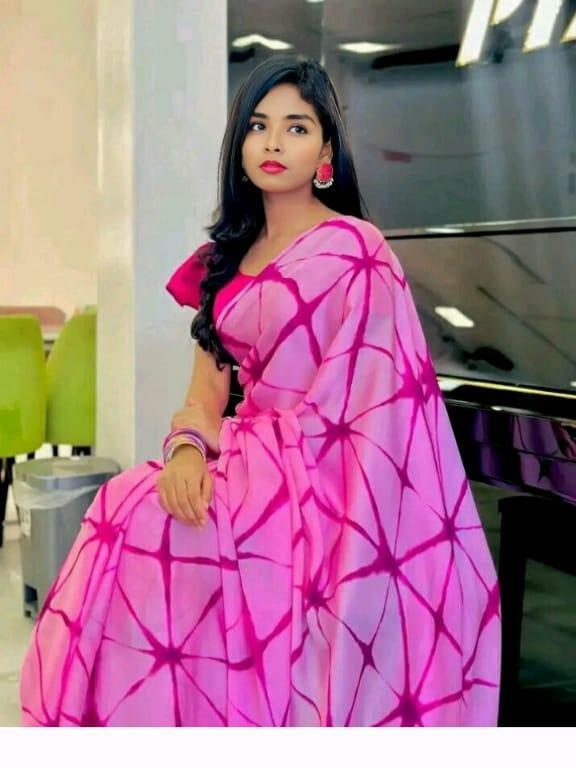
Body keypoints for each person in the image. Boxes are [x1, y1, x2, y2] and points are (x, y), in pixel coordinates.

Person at [20, 57, 500, 727]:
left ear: (325, 153)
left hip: (331, 482)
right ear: (239, 145)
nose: (274, 142)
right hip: (245, 462)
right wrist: (187, 451)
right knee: (128, 504)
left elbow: (376, 406)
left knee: (185, 540)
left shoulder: (356, 251)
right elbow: (203, 394)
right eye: (258, 125)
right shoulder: (222, 262)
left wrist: (267, 458)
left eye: (296, 127)